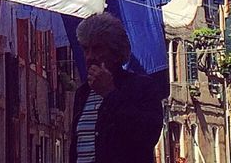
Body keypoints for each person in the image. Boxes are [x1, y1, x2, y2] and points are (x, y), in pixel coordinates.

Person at [69, 12, 165, 163]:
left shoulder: (142, 87)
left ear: (115, 51)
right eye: (86, 49)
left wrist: (109, 93)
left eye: (97, 49)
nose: (90, 57)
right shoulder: (82, 94)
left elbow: (148, 135)